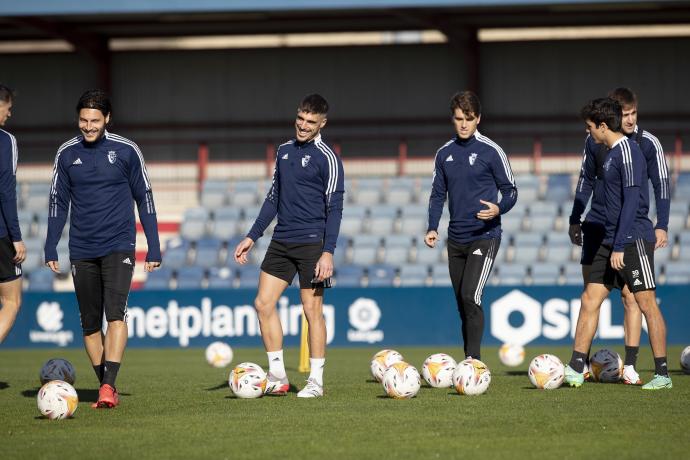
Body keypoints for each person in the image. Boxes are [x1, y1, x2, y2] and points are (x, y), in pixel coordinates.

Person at [44, 90, 162, 407]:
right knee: (89, 324)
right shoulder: (66, 154)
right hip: (81, 248)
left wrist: (154, 246)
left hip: (119, 244)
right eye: (83, 120)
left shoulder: (126, 151)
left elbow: (145, 198)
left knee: (116, 315)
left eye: (95, 120)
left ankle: (108, 388)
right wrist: (50, 244)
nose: (89, 126)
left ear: (107, 119)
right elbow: (57, 202)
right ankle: (106, 386)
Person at [234, 94, 344, 398]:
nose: (303, 125)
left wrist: (328, 252)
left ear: (322, 123)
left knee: (312, 310)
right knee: (263, 304)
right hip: (281, 241)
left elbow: (335, 208)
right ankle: (278, 376)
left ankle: (316, 382)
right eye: (300, 119)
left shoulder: (328, 158)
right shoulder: (283, 152)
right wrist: (251, 236)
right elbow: (273, 199)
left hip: (312, 245)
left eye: (311, 121)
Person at [565, 97, 671, 390]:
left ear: (602, 126)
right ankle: (576, 367)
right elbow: (591, 184)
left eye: (590, 128)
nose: (588, 133)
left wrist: (621, 245)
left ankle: (662, 373)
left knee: (645, 302)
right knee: (590, 298)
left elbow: (632, 202)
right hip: (608, 238)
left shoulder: (629, 152)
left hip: (633, 237)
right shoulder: (609, 152)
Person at [426, 91, 517, 361]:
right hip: (456, 240)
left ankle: (474, 362)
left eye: (469, 118)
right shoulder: (444, 154)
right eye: (458, 119)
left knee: (470, 295)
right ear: (452, 120)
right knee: (462, 304)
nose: (463, 124)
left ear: (478, 118)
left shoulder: (492, 151)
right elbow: (437, 195)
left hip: (484, 236)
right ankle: (469, 359)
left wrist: (500, 208)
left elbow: (511, 191)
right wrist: (432, 227)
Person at [0, 84, 26, 343]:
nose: (9, 115)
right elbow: (6, 191)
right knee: (11, 300)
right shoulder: (6, 140)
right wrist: (16, 237)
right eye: (8, 109)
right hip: (0, 235)